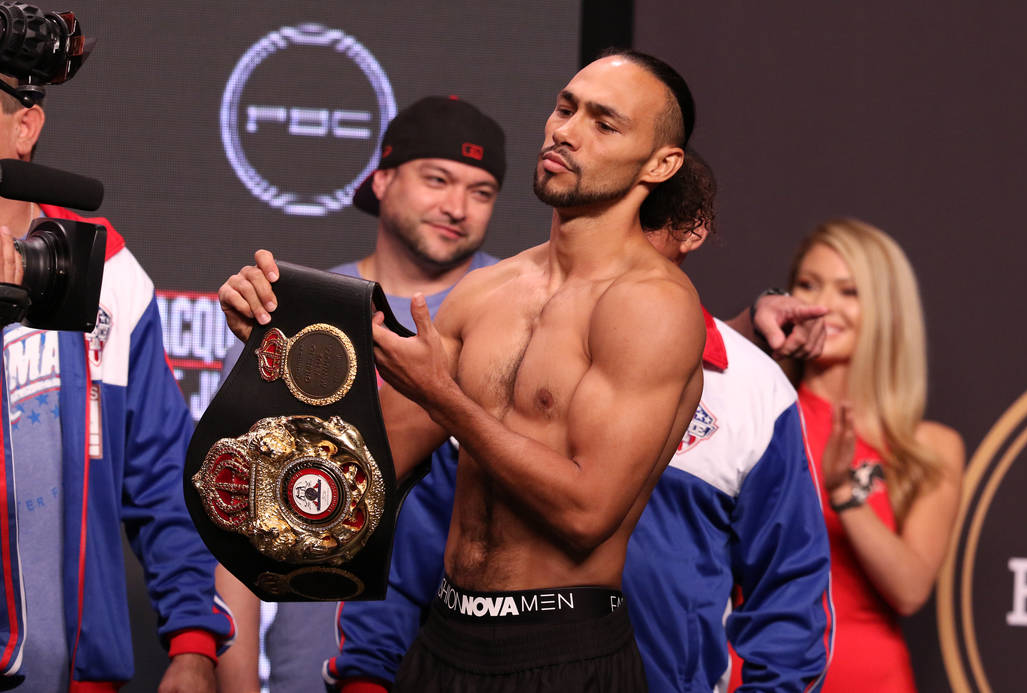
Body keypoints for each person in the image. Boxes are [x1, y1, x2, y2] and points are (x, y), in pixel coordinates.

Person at [220, 49, 708, 692]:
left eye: (604, 123)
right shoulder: (484, 295)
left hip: (562, 649)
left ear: (660, 163)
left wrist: (446, 399)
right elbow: (366, 468)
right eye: (566, 108)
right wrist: (280, 352)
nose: (566, 130)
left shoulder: (654, 306)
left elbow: (587, 513)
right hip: (443, 640)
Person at [325, 153, 834, 693]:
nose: (609, 247)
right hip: (460, 659)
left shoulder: (754, 389)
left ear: (692, 232)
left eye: (637, 225)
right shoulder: (502, 350)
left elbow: (789, 591)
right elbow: (409, 539)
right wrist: (366, 676)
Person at [214, 95, 506, 693]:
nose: (457, 207)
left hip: (476, 665)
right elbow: (234, 512)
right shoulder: (300, 315)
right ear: (383, 179)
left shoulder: (520, 316)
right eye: (438, 179)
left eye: (481, 191)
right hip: (309, 664)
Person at [0, 78, 235, 691]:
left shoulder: (107, 271)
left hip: (80, 679)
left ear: (25, 128)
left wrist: (193, 643)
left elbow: (161, 474)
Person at [784, 218, 964, 691]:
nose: (823, 304)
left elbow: (909, 590)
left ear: (886, 308)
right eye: (807, 285)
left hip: (871, 677)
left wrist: (844, 492)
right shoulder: (765, 417)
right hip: (759, 673)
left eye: (850, 291)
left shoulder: (929, 447)